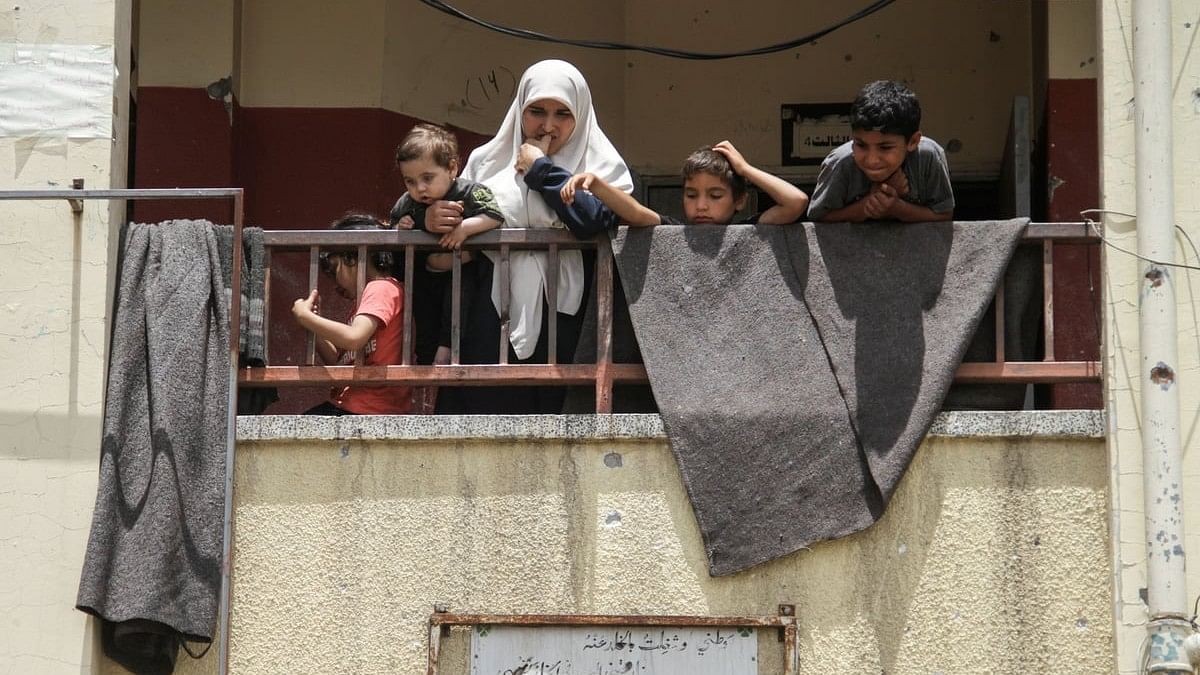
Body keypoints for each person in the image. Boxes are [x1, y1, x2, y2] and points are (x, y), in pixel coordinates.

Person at [422, 59, 633, 413]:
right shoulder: (486, 163)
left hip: (570, 316)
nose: (548, 125)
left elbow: (592, 220)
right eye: (537, 111)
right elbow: (450, 238)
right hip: (489, 313)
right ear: (520, 110)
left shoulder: (601, 166)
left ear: (579, 114)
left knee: (562, 413)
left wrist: (540, 170)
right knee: (487, 413)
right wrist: (430, 217)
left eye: (562, 114)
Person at [390, 123, 504, 368]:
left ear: (452, 167)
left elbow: (494, 215)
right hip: (426, 279)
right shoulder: (407, 202)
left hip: (463, 274)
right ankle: (427, 359)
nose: (419, 188)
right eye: (410, 181)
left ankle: (447, 347)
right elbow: (391, 226)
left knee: (458, 304)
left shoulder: (469, 192)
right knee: (423, 316)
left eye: (427, 178)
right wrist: (403, 226)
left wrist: (465, 228)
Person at [291, 214, 413, 415]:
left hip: (369, 406)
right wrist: (313, 325)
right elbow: (338, 362)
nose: (335, 281)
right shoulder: (365, 302)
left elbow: (353, 338)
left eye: (334, 268)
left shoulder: (380, 287)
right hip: (356, 405)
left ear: (351, 258)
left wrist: (307, 317)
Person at [560, 140, 809, 226]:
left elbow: (796, 202)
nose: (701, 206)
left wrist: (745, 169)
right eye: (691, 195)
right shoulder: (674, 232)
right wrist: (595, 184)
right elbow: (636, 213)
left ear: (740, 200)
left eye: (715, 196)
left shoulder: (751, 230)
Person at [807, 80, 955, 223]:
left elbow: (943, 213)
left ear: (913, 142)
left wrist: (896, 207)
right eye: (861, 145)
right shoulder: (840, 162)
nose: (872, 160)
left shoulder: (928, 157)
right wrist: (867, 206)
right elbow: (819, 217)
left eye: (885, 147)